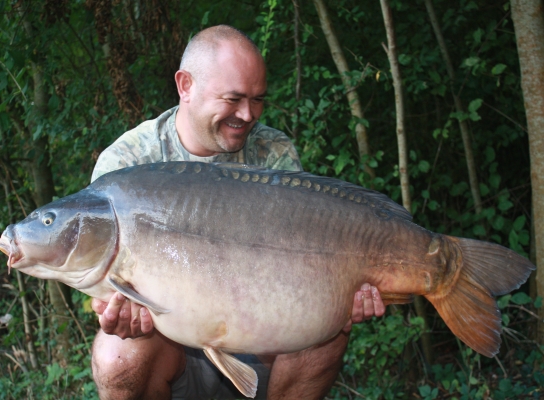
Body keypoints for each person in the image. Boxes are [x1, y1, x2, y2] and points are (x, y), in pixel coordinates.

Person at [90, 25, 385, 400]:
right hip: (169, 341)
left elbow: (299, 264)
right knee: (117, 354)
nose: (248, 115)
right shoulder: (124, 166)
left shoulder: (271, 151)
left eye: (258, 99)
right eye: (233, 99)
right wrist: (120, 315)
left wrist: (339, 296)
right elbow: (105, 296)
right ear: (186, 86)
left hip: (258, 336)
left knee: (327, 334)